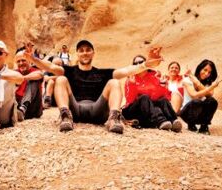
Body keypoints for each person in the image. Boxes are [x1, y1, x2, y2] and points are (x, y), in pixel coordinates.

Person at [24, 40, 160, 134]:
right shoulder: (69, 70)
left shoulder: (103, 73)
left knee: (114, 82)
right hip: (74, 110)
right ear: (77, 54)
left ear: (93, 53)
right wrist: (34, 59)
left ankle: (114, 119)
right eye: (81, 50)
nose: (85, 53)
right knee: (60, 79)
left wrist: (145, 65)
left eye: (88, 50)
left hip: (97, 110)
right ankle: (65, 116)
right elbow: (50, 67)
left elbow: (126, 71)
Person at [123, 55, 182, 131]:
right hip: (134, 110)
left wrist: (162, 86)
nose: (138, 65)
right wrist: (132, 84)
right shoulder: (131, 78)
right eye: (135, 63)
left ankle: (173, 121)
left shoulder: (153, 77)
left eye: (141, 62)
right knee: (144, 97)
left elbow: (158, 96)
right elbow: (130, 100)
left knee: (163, 100)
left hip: (148, 109)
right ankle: (161, 121)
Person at [180, 59, 220, 134]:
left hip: (200, 113)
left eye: (209, 72)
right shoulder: (187, 80)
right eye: (205, 70)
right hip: (187, 113)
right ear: (200, 68)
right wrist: (211, 87)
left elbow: (210, 95)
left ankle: (204, 126)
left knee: (212, 101)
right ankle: (191, 125)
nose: (206, 73)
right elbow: (194, 95)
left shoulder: (208, 83)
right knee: (196, 101)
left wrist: (198, 83)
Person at [13, 48, 46, 120]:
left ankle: (23, 108)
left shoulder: (35, 71)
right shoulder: (15, 72)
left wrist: (22, 78)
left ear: (29, 61)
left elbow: (40, 75)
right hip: (17, 106)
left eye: (23, 60)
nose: (21, 63)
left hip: (33, 108)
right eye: (18, 61)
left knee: (34, 79)